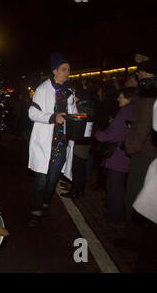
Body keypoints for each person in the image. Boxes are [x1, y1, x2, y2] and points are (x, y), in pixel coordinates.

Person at [27, 53, 77, 227]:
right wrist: (53, 118)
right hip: (45, 142)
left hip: (61, 143)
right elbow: (32, 113)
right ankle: (35, 212)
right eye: (64, 69)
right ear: (55, 71)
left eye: (69, 70)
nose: (67, 73)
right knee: (41, 181)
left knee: (53, 180)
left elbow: (72, 114)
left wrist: (77, 117)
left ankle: (45, 205)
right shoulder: (43, 89)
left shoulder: (69, 92)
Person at [120, 59, 157, 249]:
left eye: (140, 73)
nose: (138, 76)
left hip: (144, 155)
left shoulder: (148, 97)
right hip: (151, 153)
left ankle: (134, 240)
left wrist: (130, 147)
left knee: (133, 197)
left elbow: (141, 126)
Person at [94, 87, 134, 224]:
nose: (118, 99)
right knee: (118, 186)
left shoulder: (125, 112)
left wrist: (98, 133)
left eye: (121, 96)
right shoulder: (132, 111)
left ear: (129, 98)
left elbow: (111, 135)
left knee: (114, 187)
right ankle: (116, 213)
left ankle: (113, 216)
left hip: (118, 157)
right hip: (124, 155)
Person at [61, 83, 95, 198]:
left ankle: (75, 191)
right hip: (84, 145)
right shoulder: (89, 107)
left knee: (77, 169)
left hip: (79, 145)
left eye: (74, 96)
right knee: (80, 168)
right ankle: (79, 190)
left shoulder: (80, 109)